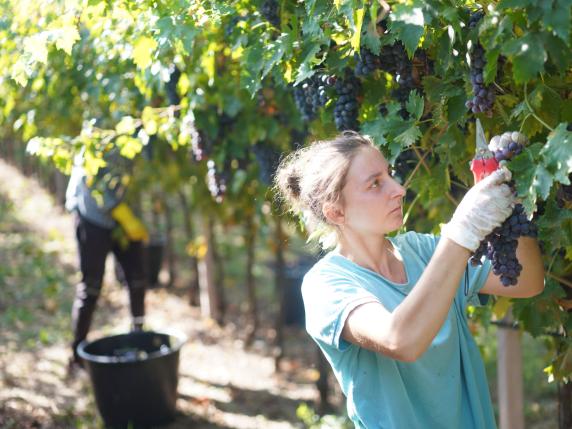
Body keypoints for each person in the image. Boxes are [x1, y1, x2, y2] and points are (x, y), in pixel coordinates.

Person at [274, 131, 544, 428]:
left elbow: (528, 281)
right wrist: (461, 233)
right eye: (375, 184)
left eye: (389, 175)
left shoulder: (423, 250)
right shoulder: (326, 285)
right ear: (336, 212)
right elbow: (400, 340)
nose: (399, 189)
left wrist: (513, 203)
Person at [65, 146, 149, 372]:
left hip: (123, 215)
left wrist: (130, 216)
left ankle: (139, 340)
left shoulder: (140, 125)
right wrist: (118, 210)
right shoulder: (100, 121)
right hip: (92, 216)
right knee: (91, 287)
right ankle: (77, 358)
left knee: (137, 279)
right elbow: (91, 180)